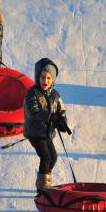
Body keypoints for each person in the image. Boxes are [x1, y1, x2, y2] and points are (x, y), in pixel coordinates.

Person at [23, 58, 70, 190]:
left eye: (49, 78)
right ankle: (42, 188)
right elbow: (33, 111)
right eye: (43, 77)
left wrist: (62, 122)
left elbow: (62, 110)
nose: (45, 81)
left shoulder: (55, 94)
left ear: (53, 79)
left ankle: (43, 180)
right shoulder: (32, 93)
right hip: (34, 132)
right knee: (46, 157)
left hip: (47, 132)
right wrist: (50, 117)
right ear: (38, 77)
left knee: (53, 157)